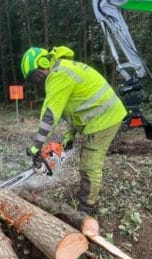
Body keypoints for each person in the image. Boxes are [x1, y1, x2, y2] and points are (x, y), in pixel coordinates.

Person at [20, 46, 127, 215]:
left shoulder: (58, 75)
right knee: (87, 161)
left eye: (36, 75)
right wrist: (69, 134)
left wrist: (36, 146)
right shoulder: (62, 69)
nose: (37, 80)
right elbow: (73, 108)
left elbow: (50, 115)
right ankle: (87, 198)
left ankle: (86, 209)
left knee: (89, 164)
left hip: (105, 119)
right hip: (101, 116)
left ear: (43, 62)